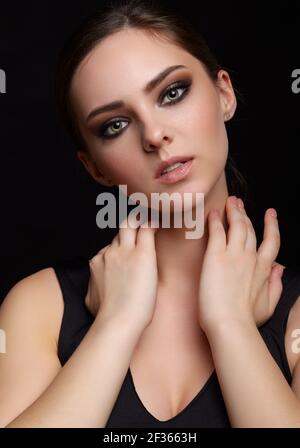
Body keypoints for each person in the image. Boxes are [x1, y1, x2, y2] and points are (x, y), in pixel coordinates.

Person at [1, 0, 300, 428]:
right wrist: (117, 323)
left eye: (172, 93)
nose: (155, 134)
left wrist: (229, 324)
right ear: (95, 167)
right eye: (115, 125)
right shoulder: (40, 307)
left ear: (224, 94)